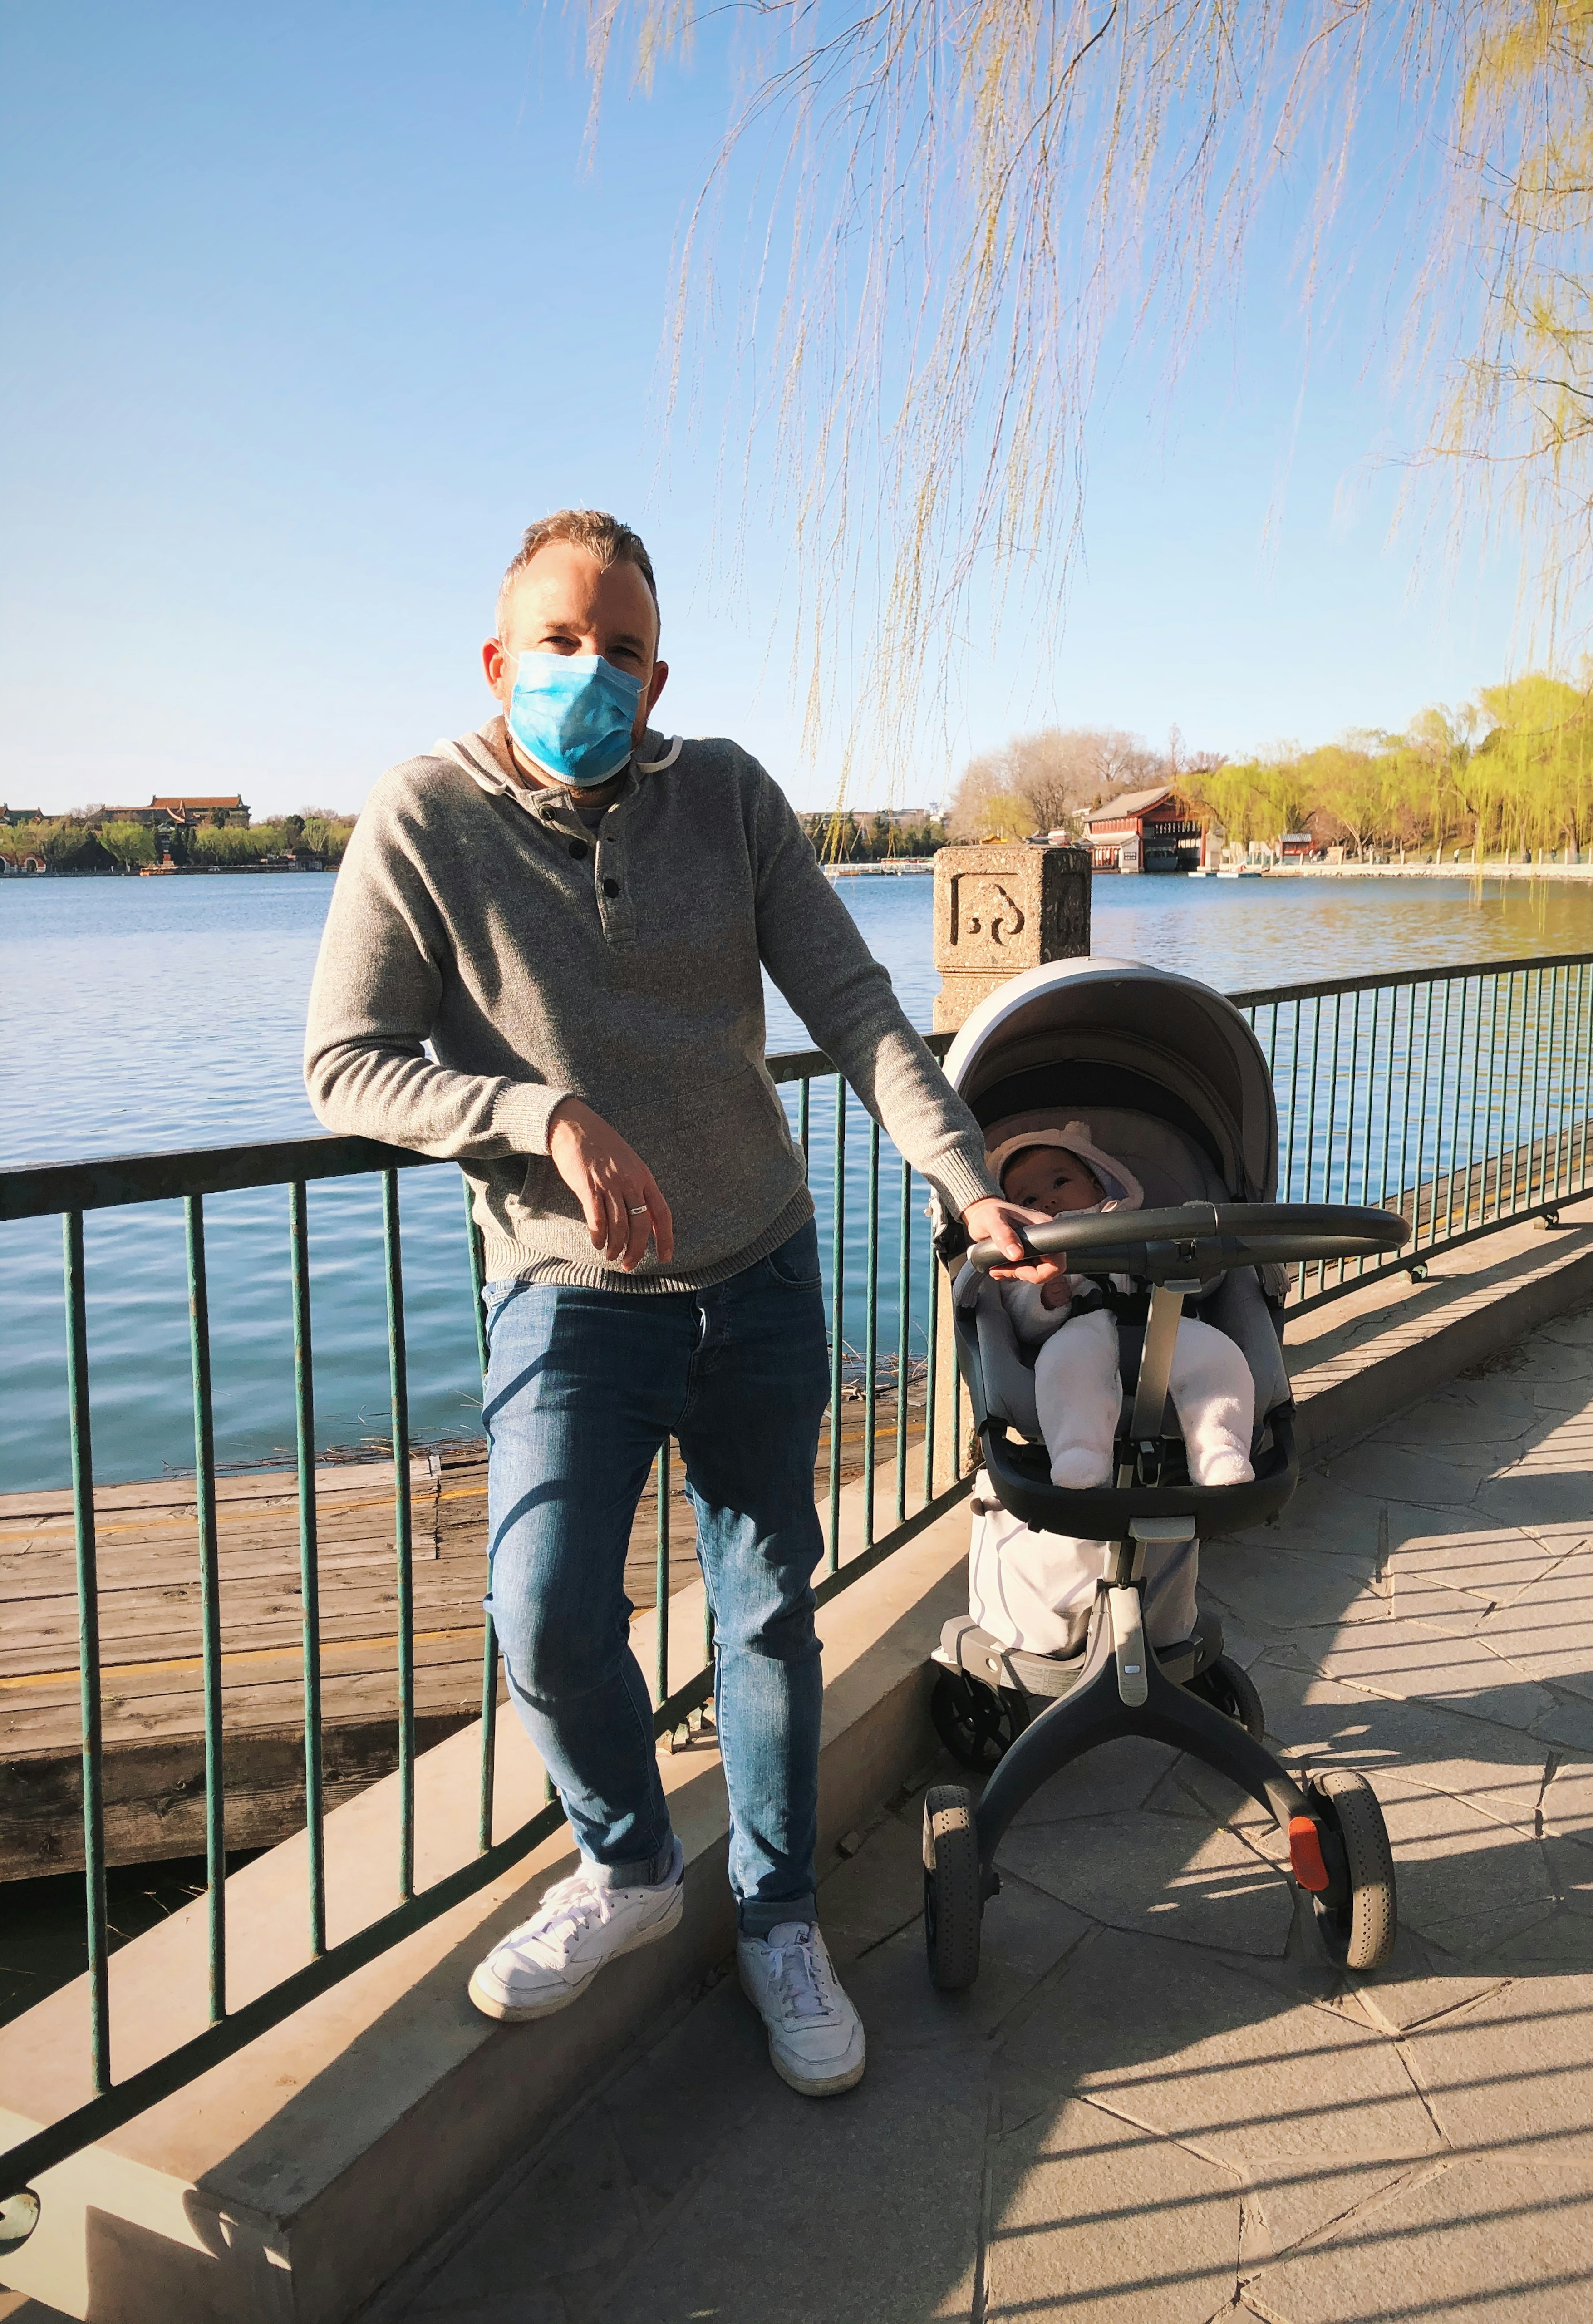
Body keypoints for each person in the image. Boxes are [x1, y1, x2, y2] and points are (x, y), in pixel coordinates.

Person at [303, 508, 1053, 2098]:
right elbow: (344, 1065)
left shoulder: (725, 798)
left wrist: (966, 1180)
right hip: (570, 1301)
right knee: (546, 1610)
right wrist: (540, 1118)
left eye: (622, 650)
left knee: (769, 1612)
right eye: (561, 644)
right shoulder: (423, 817)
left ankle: (780, 1919)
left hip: (762, 1275)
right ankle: (630, 1867)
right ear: (500, 660)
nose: (592, 671)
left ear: (659, 675)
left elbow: (854, 1008)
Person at [988, 1128, 1256, 1489]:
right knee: (1064, 1365)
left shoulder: (1137, 1220)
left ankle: (1220, 1450)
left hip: (1165, 1319)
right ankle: (1080, 1453)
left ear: (1099, 1185)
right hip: (1085, 1327)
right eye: (1030, 1198)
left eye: (1060, 1182)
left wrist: (1192, 1248)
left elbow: (1205, 1277)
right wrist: (1044, 1300)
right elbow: (1023, 1322)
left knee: (1219, 1358)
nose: (1049, 1201)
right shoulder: (1034, 1250)